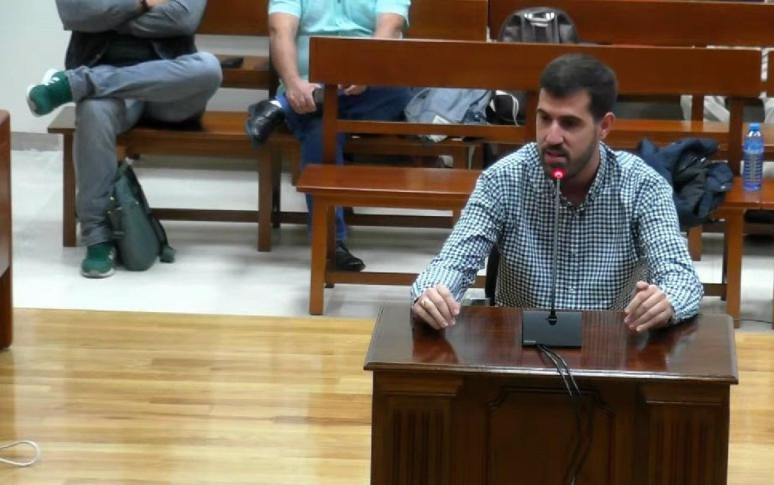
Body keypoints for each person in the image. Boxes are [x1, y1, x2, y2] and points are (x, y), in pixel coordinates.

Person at [411, 54, 704, 333]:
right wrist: (434, 294)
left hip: (613, 352)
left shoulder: (643, 187)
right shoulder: (502, 180)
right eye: (544, 119)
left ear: (604, 126)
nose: (551, 137)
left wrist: (666, 301)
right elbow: (452, 263)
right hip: (519, 352)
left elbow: (681, 278)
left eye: (569, 123)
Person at [27, 0, 221, 278]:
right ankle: (96, 237)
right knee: (93, 110)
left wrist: (107, 16)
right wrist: (143, 4)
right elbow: (76, 13)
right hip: (112, 95)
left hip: (169, 85)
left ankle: (77, 83)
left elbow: (182, 18)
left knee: (208, 68)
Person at [244, 0, 414, 272]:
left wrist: (366, 70)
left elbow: (389, 27)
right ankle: (331, 242)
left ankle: (279, 109)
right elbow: (280, 32)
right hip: (305, 86)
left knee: (400, 92)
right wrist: (292, 83)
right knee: (320, 129)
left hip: (372, 86)